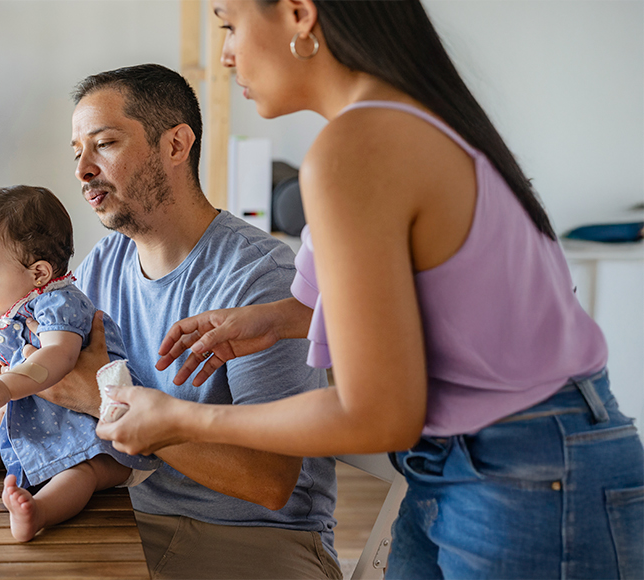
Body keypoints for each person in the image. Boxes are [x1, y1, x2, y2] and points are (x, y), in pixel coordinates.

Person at [97, 2, 644, 579]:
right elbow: (396, 300)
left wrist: (181, 422)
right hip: (470, 464)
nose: (227, 54)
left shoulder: (359, 148)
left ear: (299, 14)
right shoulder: (393, 124)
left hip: (531, 472)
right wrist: (273, 319)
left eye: (231, 26)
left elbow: (376, 413)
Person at [35, 63, 342, 579]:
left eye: (104, 144)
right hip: (131, 516)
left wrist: (99, 398)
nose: (82, 169)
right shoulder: (104, 264)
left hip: (254, 537)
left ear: (176, 146)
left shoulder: (258, 277)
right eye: (77, 152)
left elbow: (270, 481)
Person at [0, 185, 161, 542]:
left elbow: (57, 359)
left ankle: (40, 511)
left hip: (99, 426)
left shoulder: (61, 303)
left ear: (39, 274)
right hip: (46, 415)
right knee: (2, 404)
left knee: (86, 471)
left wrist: (5, 384)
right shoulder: (9, 316)